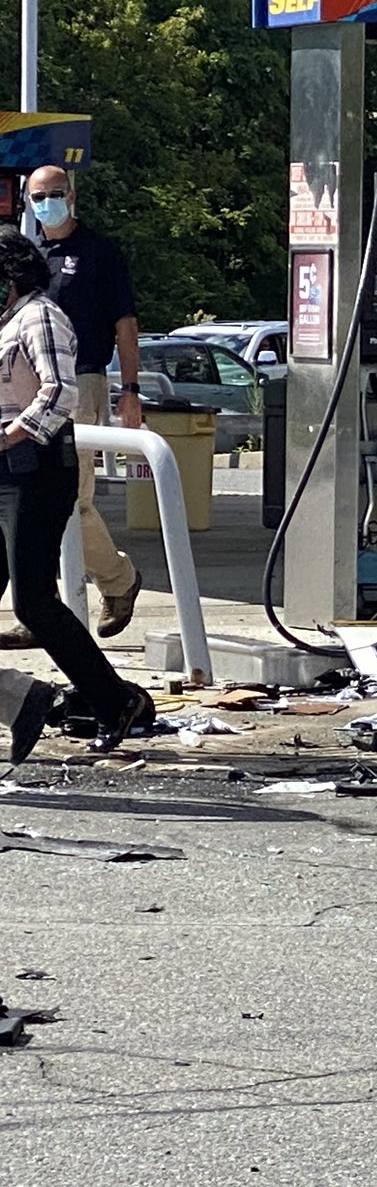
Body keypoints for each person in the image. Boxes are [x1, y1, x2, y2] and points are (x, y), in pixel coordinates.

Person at [0, 226, 152, 753]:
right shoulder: (6, 322)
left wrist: (10, 435)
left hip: (35, 471)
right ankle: (24, 703)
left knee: (34, 603)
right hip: (5, 473)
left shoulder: (39, 315)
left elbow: (59, 391)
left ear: (12, 276)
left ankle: (114, 701)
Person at [0, 163, 143, 647]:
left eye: (55, 193)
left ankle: (116, 581)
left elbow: (125, 324)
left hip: (74, 384)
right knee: (26, 506)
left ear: (73, 196)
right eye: (38, 196)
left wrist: (130, 389)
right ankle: (38, 601)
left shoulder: (99, 252)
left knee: (71, 500)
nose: (47, 203)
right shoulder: (25, 256)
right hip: (18, 390)